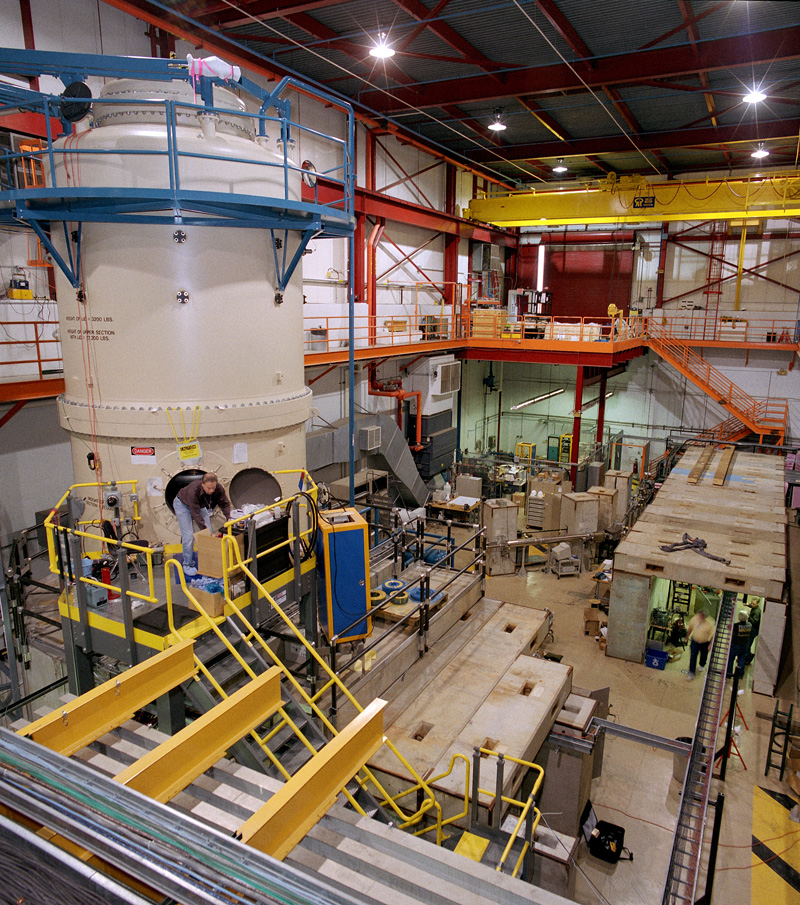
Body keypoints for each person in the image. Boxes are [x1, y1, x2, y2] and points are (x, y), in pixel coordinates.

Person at [173, 472, 232, 576]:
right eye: (209, 488)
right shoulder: (193, 490)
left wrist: (229, 517)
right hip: (182, 504)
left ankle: (209, 562)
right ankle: (188, 564)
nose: (211, 491)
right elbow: (196, 514)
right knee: (188, 536)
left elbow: (225, 503)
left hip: (200, 505)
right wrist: (206, 531)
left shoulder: (218, 488)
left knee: (209, 533)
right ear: (202, 484)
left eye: (213, 487)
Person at [686, 609, 715, 681]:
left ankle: (702, 664)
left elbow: (712, 635)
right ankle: (691, 673)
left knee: (704, 655)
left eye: (702, 616)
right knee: (693, 656)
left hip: (704, 642)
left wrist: (710, 645)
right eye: (700, 615)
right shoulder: (694, 619)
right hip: (695, 641)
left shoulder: (710, 623)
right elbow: (690, 628)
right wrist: (687, 637)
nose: (700, 617)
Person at [727, 610, 753, 679]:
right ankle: (740, 675)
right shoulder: (749, 625)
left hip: (735, 645)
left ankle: (729, 673)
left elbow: (728, 627)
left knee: (730, 659)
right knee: (741, 660)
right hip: (744, 645)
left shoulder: (736, 626)